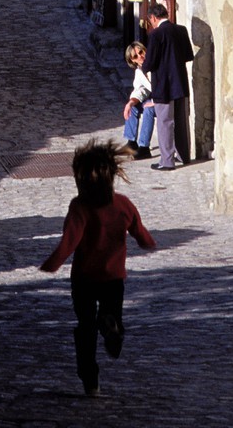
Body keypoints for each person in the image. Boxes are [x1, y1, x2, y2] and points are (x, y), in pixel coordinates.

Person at [39, 139, 157, 398]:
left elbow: (69, 242)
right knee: (112, 314)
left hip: (83, 279)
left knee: (85, 326)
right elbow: (140, 232)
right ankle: (111, 326)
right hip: (113, 277)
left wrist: (51, 264)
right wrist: (149, 242)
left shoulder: (79, 207)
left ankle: (90, 379)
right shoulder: (123, 204)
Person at [141, 2, 195, 171]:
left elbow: (150, 62)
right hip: (180, 81)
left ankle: (167, 160)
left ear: (154, 18)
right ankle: (184, 156)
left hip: (163, 84)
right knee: (181, 121)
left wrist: (143, 68)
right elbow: (188, 55)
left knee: (165, 122)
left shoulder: (156, 35)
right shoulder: (181, 30)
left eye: (151, 21)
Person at [122, 41, 154, 158]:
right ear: (133, 61)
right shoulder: (139, 72)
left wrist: (153, 102)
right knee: (133, 107)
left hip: (162, 99)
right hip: (152, 98)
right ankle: (131, 142)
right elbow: (140, 90)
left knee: (148, 110)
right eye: (136, 56)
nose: (140, 57)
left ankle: (144, 147)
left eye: (141, 52)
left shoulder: (153, 64)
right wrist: (130, 103)